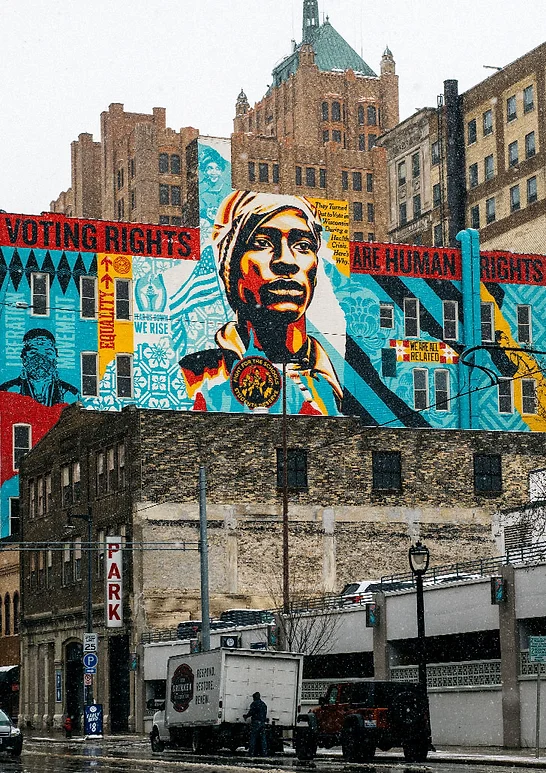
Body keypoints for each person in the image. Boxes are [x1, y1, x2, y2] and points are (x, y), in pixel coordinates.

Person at [179, 191, 343, 415]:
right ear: (230, 266)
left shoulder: (338, 385)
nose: (286, 261)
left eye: (303, 245)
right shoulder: (195, 374)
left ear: (314, 270)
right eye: (262, 242)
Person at [0, 328, 79, 406]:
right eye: (34, 352)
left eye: (48, 353)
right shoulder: (7, 390)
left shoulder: (69, 392)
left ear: (55, 357)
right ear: (24, 358)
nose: (41, 360)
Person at [244, 691, 268, 756]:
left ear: (254, 697)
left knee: (253, 737)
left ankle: (251, 752)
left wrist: (246, 716)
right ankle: (264, 752)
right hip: (262, 722)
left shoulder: (254, 704)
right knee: (263, 738)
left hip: (256, 722)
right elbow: (265, 713)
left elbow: (252, 712)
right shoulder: (264, 704)